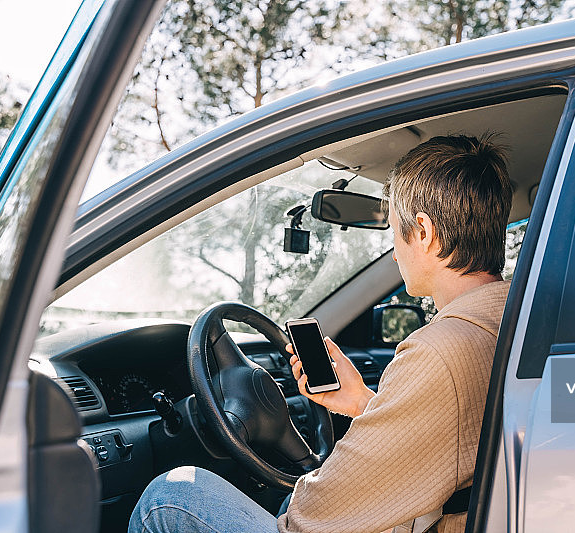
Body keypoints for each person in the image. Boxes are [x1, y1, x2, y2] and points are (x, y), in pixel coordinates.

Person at [129, 134, 513, 533]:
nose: (396, 251)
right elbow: (450, 445)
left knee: (169, 498)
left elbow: (320, 511)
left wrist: (301, 492)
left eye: (394, 231)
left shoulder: (439, 351)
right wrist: (362, 401)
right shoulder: (511, 324)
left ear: (422, 231)